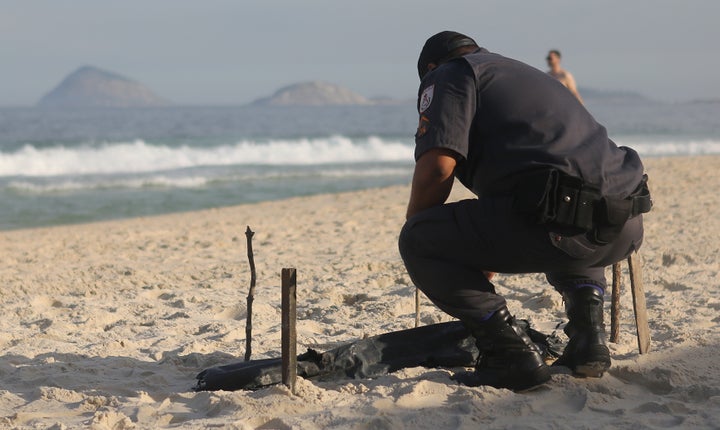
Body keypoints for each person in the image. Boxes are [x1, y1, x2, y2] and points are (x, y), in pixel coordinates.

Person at [398, 31, 651, 391]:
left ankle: (509, 353)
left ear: (432, 69)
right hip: (624, 224)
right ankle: (587, 337)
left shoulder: (449, 74)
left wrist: (422, 232)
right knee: (571, 201)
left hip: (560, 226)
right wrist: (478, 248)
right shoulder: (522, 74)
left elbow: (437, 169)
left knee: (419, 238)